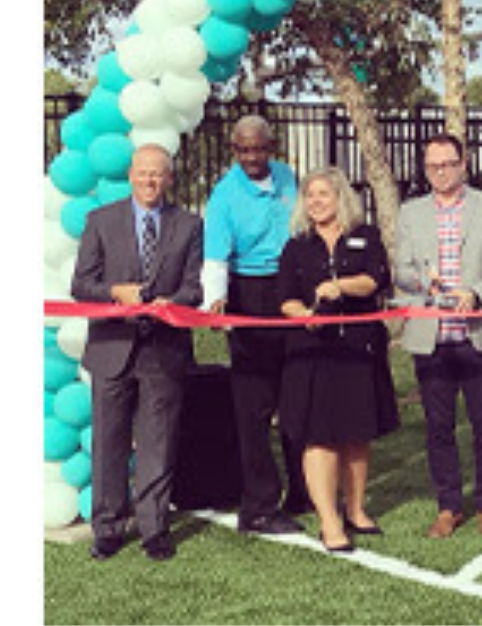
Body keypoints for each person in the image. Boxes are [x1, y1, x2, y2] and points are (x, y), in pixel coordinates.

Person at [71, 144, 203, 561]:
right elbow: (80, 285)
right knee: (108, 443)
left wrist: (172, 303)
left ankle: (153, 529)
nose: (149, 180)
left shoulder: (189, 224)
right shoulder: (100, 221)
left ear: (169, 179)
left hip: (163, 351)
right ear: (130, 175)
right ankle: (108, 529)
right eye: (143, 172)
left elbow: (194, 289)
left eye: (157, 173)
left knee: (157, 444)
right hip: (111, 348)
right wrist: (116, 293)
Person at [394, 133, 482, 538]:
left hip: (477, 333)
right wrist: (421, 281)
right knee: (438, 427)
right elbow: (401, 270)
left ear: (464, 164)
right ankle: (448, 505)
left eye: (448, 164)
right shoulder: (411, 212)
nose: (441, 172)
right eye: (433, 166)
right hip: (431, 336)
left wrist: (477, 293)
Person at [277, 167, 399, 553]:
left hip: (358, 351)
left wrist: (339, 286)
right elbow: (285, 298)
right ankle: (329, 521)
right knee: (320, 438)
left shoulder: (366, 236)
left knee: (356, 434)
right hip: (312, 353)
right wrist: (305, 316)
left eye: (323, 194)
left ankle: (356, 510)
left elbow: (376, 279)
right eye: (310, 195)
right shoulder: (296, 247)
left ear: (341, 197)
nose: (316, 201)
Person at [202, 115, 307, 535]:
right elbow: (215, 257)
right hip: (250, 292)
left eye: (259, 149)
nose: (251, 157)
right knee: (256, 406)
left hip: (292, 288)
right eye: (243, 150)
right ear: (234, 150)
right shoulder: (223, 196)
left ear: (271, 147)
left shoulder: (287, 177)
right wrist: (215, 301)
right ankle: (258, 507)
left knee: (296, 395)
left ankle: (303, 491)